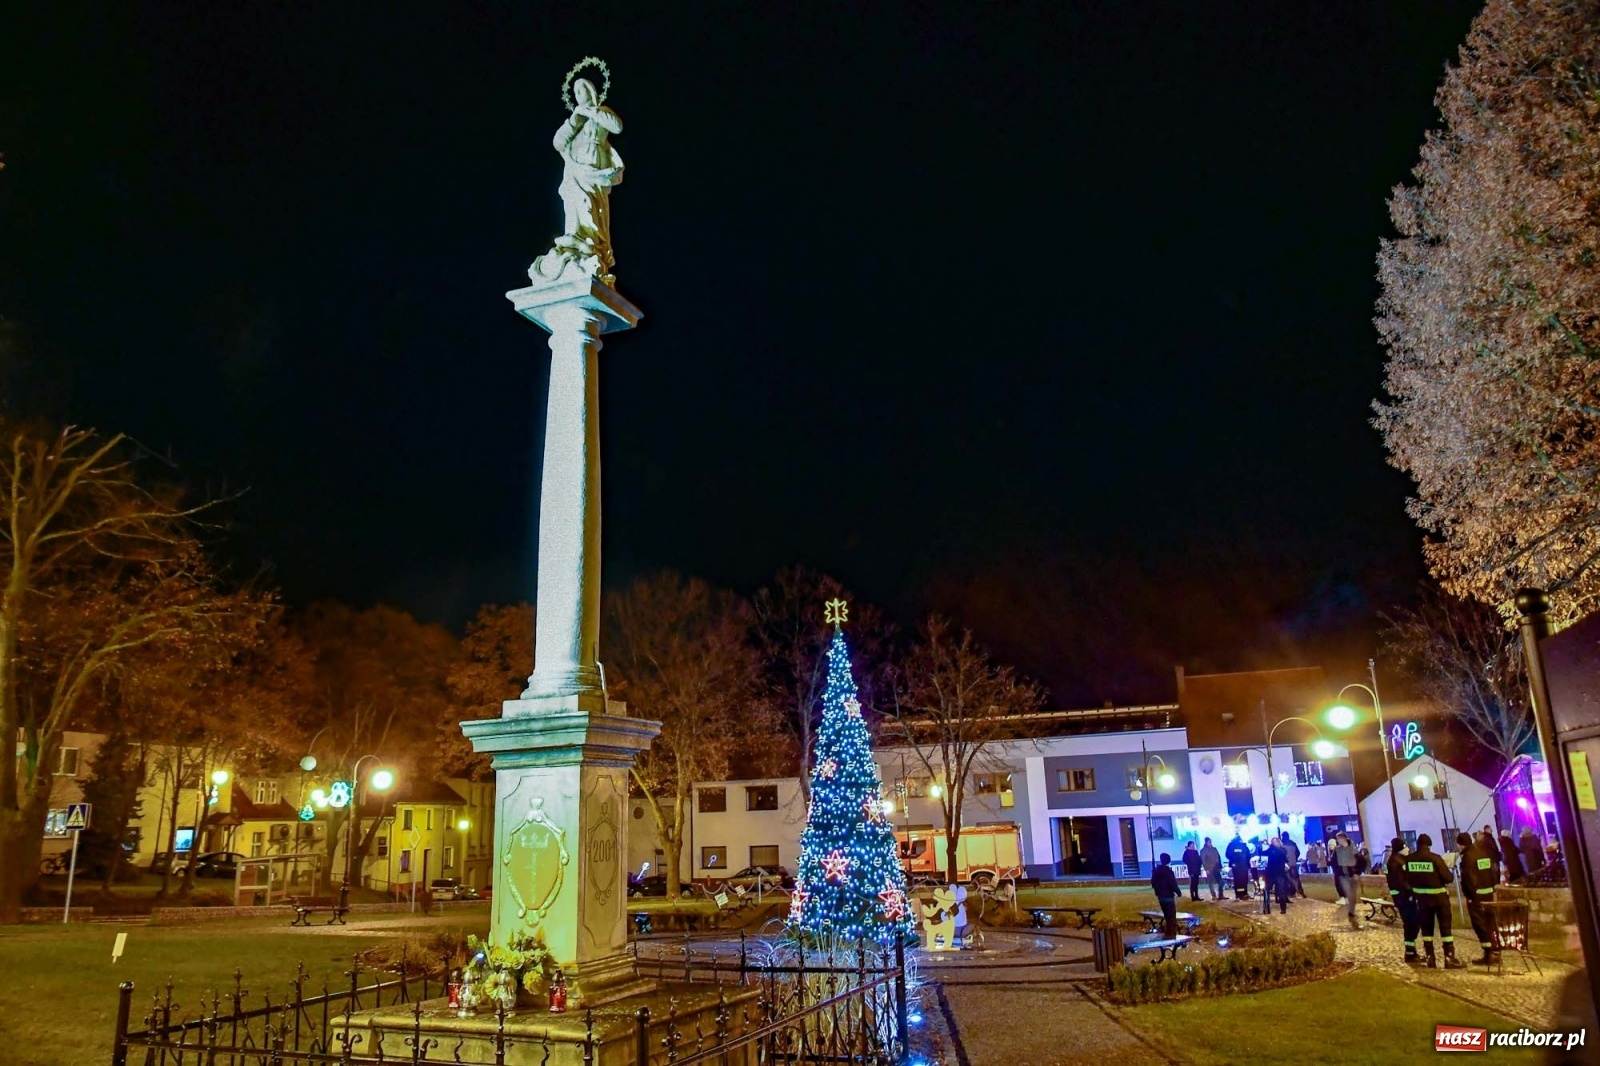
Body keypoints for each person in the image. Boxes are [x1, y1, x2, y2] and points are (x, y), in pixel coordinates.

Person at [1404, 833, 1466, 969]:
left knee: (1426, 929)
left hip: (1422, 901)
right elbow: (1448, 878)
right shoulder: (1435, 859)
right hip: (1439, 899)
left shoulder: (1409, 860)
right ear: (1429, 845)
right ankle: (1449, 958)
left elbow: (1407, 879)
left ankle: (1430, 957)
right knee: (1445, 928)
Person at [1456, 831, 1500, 966]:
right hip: (1488, 894)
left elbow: (1469, 879)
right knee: (1491, 922)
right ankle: (1496, 951)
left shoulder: (1467, 858)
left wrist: (1470, 896)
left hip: (1476, 897)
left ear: (1461, 845)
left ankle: (1488, 953)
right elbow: (1493, 871)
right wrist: (1492, 887)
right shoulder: (1483, 853)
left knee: (1480, 925)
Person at [1385, 836, 1421, 966]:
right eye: (1405, 846)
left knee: (1412, 924)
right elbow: (1401, 882)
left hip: (1404, 898)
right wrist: (1412, 891)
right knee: (1411, 923)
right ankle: (1410, 952)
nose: (1407, 848)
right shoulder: (1395, 863)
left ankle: (1411, 951)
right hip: (1404, 898)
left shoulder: (1401, 860)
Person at [1332, 833, 1360, 929]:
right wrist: (1338, 872)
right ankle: (1351, 913)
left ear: (1343, 839)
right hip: (1343, 876)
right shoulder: (1337, 850)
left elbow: (1360, 860)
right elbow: (1333, 862)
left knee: (1353, 896)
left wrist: (1357, 872)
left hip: (1353, 874)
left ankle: (1351, 912)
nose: (1337, 841)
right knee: (1349, 894)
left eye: (1338, 839)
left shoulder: (1353, 848)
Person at [1151, 852, 1180, 937]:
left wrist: (1157, 891)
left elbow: (1153, 882)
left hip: (1161, 896)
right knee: (1171, 916)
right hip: (1168, 896)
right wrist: (1178, 892)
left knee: (1167, 915)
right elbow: (1172, 883)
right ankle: (1171, 933)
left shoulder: (1157, 871)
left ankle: (1168, 932)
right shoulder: (1168, 871)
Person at [1262, 836, 1290, 915]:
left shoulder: (1281, 850)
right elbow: (1263, 853)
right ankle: (1266, 908)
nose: (1273, 843)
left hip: (1279, 873)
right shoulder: (1272, 849)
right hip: (1271, 873)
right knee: (1267, 890)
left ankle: (1283, 908)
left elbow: (1284, 857)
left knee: (1281, 891)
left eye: (1274, 841)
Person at [1225, 834, 1253, 900]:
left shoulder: (1237, 845)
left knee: (1242, 880)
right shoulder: (1237, 845)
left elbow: (1248, 855)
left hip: (1240, 866)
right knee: (1240, 880)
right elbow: (1228, 854)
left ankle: (1242, 894)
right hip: (1239, 866)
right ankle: (1241, 894)